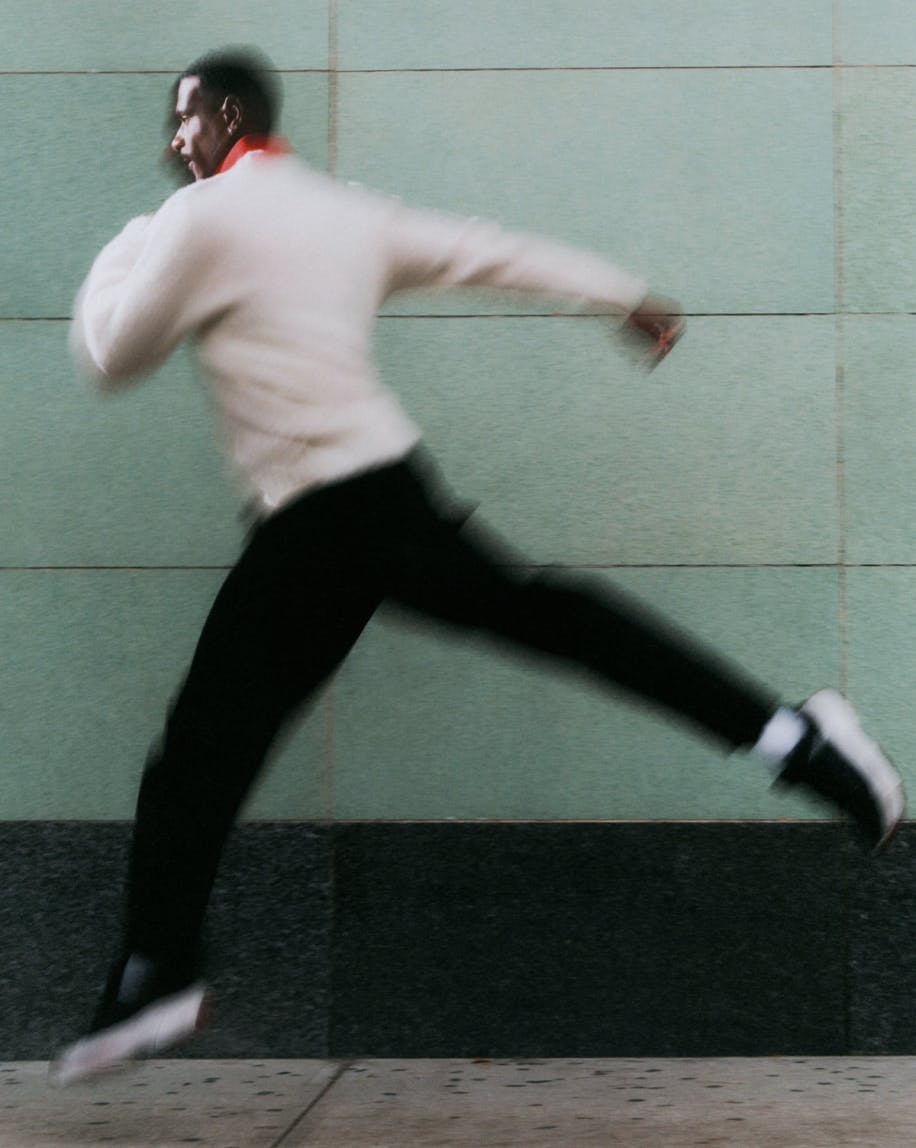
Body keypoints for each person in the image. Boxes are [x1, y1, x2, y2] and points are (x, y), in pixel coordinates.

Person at [51, 48, 904, 1085]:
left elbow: (111, 356)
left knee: (199, 751)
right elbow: (486, 250)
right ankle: (800, 738)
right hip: (374, 496)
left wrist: (126, 246)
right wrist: (621, 295)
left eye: (183, 121)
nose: (170, 142)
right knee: (550, 618)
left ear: (226, 116)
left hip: (324, 518)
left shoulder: (196, 219)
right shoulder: (343, 210)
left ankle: (158, 971)